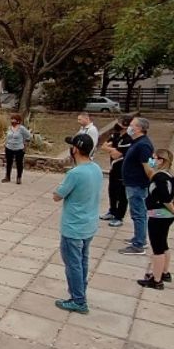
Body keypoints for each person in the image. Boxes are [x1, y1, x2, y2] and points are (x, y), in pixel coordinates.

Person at [52, 134, 102, 314]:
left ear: (75, 150)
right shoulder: (96, 168)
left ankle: (78, 300)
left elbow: (57, 195)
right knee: (82, 261)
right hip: (89, 225)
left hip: (73, 227)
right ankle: (80, 290)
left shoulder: (75, 173)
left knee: (73, 263)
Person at [137, 149, 174, 290]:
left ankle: (156, 280)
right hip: (166, 216)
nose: (151, 161)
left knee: (157, 248)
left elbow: (165, 198)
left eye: (154, 158)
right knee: (163, 244)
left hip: (159, 215)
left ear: (161, 160)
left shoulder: (159, 177)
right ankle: (164, 272)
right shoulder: (169, 175)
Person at [119, 117, 154, 255]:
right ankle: (138, 237)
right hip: (132, 183)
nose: (129, 127)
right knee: (137, 213)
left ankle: (139, 244)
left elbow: (149, 166)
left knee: (138, 213)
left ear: (139, 128)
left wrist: (153, 181)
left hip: (137, 184)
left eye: (132, 125)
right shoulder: (136, 142)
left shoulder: (144, 145)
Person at [99, 115, 133, 227]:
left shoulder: (128, 139)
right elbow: (103, 146)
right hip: (113, 169)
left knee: (122, 195)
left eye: (120, 122)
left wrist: (113, 150)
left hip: (123, 171)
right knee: (112, 191)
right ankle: (112, 211)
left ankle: (119, 216)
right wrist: (113, 149)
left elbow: (116, 155)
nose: (117, 124)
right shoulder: (116, 135)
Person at [2, 113, 31, 184]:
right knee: (9, 163)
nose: (12, 121)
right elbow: (7, 137)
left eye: (14, 119)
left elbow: (28, 137)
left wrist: (25, 145)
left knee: (19, 163)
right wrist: (5, 144)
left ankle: (19, 178)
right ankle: (7, 177)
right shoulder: (9, 128)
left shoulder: (22, 128)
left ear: (18, 120)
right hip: (9, 147)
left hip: (19, 149)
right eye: (11, 119)